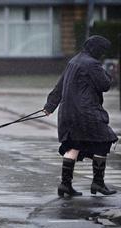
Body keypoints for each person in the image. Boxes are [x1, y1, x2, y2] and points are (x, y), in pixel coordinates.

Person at [43, 35, 118, 197]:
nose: (102, 54)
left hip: (68, 112)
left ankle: (65, 185)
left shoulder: (74, 61)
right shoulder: (92, 64)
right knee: (104, 141)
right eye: (102, 51)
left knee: (73, 144)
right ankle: (98, 183)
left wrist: (50, 106)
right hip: (86, 112)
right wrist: (109, 74)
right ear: (96, 49)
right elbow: (105, 85)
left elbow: (60, 85)